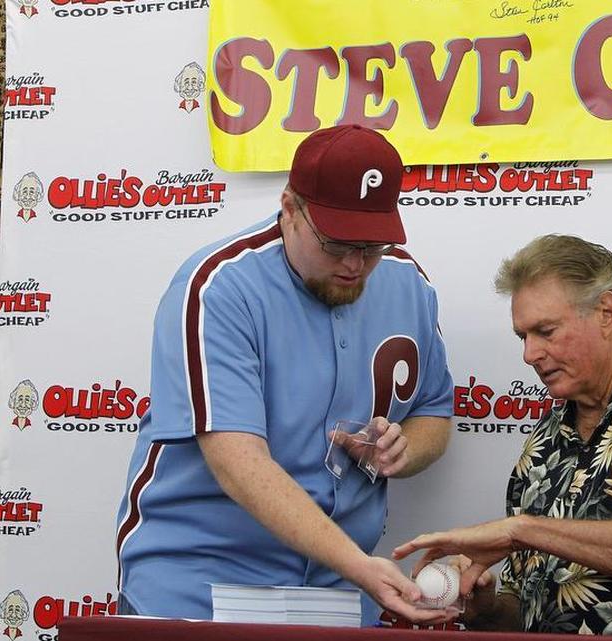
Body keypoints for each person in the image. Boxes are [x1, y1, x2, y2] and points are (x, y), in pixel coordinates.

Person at [115, 125, 455, 625]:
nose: (355, 264)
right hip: (202, 578)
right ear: (291, 209)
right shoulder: (221, 287)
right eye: (337, 243)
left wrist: (400, 450)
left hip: (340, 585)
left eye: (373, 245)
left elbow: (434, 413)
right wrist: (358, 566)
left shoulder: (408, 284)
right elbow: (238, 462)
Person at [394, 234, 612, 637]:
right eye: (522, 337)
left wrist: (522, 530)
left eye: (546, 331)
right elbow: (528, 614)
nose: (529, 354)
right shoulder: (544, 443)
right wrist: (485, 605)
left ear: (606, 311)